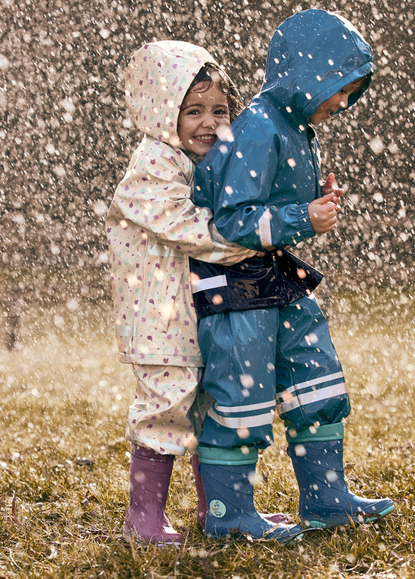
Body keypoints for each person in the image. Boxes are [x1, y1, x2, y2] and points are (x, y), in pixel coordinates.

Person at [189, 9, 395, 541]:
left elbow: (271, 207)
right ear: (309, 76)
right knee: (242, 394)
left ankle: (325, 497)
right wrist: (302, 216)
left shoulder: (292, 126)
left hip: (277, 278)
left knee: (315, 377)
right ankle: (229, 516)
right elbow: (232, 219)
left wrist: (310, 207)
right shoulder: (256, 127)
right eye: (340, 88)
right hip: (235, 288)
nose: (344, 102)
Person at [106, 40, 293, 547]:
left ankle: (223, 507)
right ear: (161, 111)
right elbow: (183, 226)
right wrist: (242, 238)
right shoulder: (154, 164)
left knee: (213, 406)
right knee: (167, 406)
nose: (209, 122)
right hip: (160, 315)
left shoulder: (209, 162)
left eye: (219, 110)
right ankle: (144, 517)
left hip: (207, 309)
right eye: (193, 111)